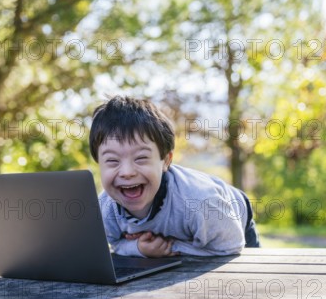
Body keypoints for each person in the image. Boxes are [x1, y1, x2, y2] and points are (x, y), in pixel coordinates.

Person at [89, 96, 260, 257]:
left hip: (232, 223)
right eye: (112, 160)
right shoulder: (104, 208)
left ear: (166, 161)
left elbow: (231, 247)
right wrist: (140, 248)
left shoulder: (201, 202)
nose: (127, 172)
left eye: (141, 158)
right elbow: (114, 245)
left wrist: (171, 246)